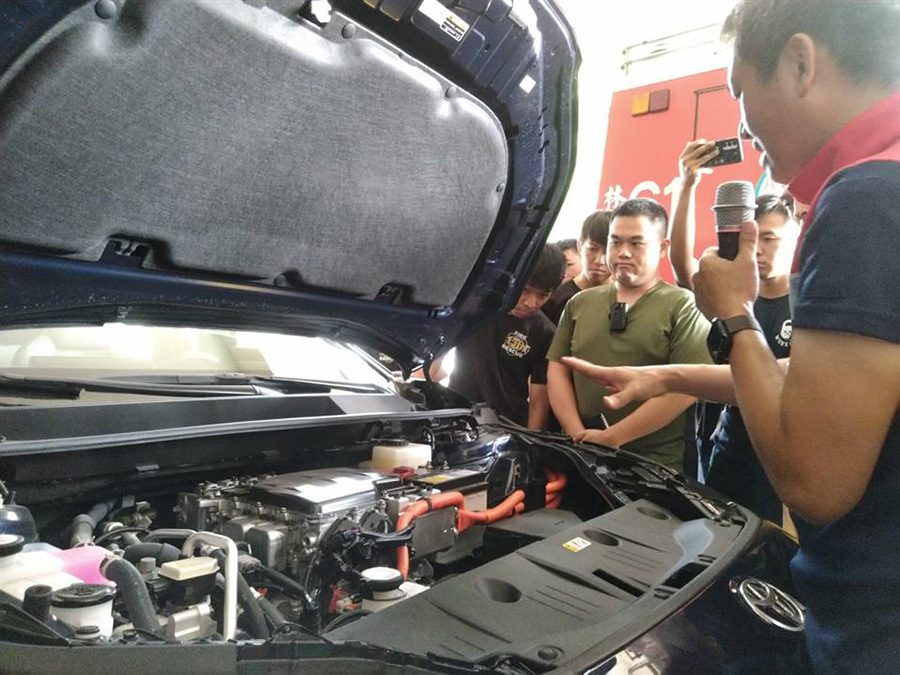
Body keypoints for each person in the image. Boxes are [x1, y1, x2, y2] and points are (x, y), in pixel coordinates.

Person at [563, 1, 900, 671]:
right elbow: (817, 385)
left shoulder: (867, 198)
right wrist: (667, 375)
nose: (742, 127)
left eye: (740, 92)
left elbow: (816, 480)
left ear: (801, 63)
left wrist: (735, 315)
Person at [546, 199, 712, 471]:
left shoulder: (683, 305)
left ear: (662, 247)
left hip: (653, 466)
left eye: (636, 243)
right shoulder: (579, 303)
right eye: (615, 242)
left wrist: (612, 438)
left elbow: (687, 387)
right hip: (582, 455)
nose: (623, 252)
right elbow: (557, 368)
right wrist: (577, 434)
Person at [705, 195, 798, 524]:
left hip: (781, 454)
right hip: (731, 446)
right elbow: (685, 270)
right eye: (751, 240)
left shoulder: (806, 305)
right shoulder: (738, 301)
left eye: (769, 239)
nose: (757, 250)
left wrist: (667, 378)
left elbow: (789, 379)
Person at [432, 244, 564, 430]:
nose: (531, 303)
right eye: (525, 289)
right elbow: (434, 359)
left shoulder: (545, 332)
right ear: (512, 277)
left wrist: (531, 440)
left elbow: (538, 402)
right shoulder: (472, 308)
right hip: (456, 415)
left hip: (508, 425)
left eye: (543, 295)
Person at [543, 211, 612, 325]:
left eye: (608, 251)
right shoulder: (556, 300)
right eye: (592, 249)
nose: (600, 261)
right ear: (580, 246)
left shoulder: (627, 300)